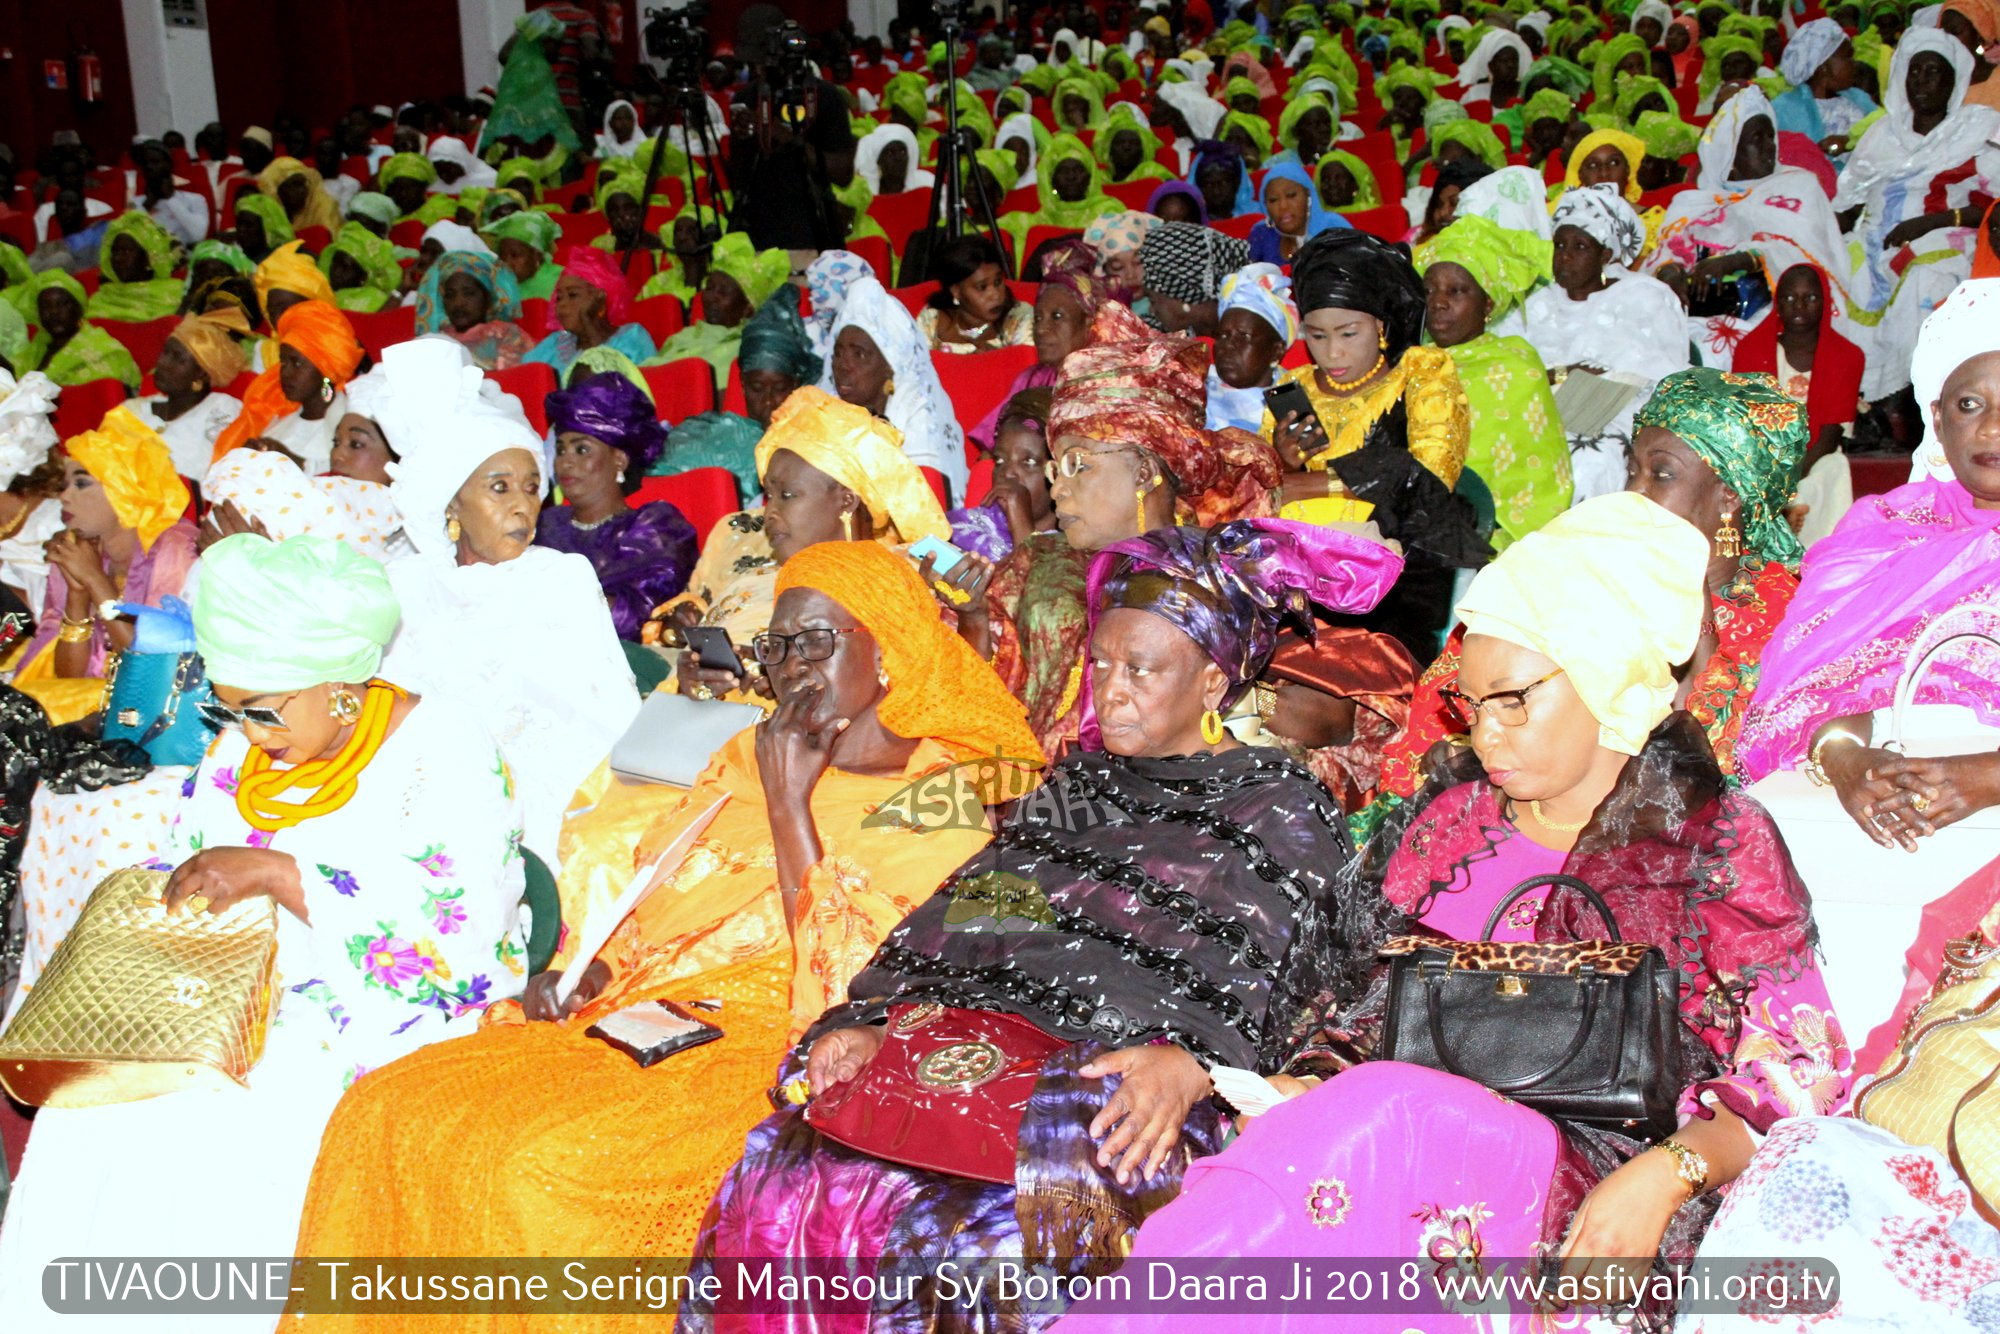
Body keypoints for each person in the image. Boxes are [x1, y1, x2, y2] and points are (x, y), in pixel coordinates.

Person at [1070, 497, 1844, 1334]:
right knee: (1304, 1141)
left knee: (1383, 1114)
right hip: (1391, 1152)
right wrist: (1306, 1083)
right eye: (1472, 707)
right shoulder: (1452, 827)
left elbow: (1800, 1063)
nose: (1487, 736)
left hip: (1591, 1186)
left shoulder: (1711, 840)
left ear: (1604, 671)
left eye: (1513, 701)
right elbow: (1354, 1012)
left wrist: (1669, 1175)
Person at [679, 520, 1400, 1328]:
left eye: (1141, 669)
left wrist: (1199, 1065)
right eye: (1101, 665)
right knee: (781, 1185)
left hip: (1115, 1092)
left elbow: (1322, 996)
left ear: (1212, 682)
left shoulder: (1278, 807)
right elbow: (963, 919)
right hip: (974, 1060)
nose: (1110, 690)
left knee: (976, 1252)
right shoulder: (1078, 787)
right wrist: (872, 1019)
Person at [291, 539, 1037, 1277]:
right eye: (777, 646)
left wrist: (790, 801)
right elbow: (662, 892)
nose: (792, 667)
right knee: (386, 1108)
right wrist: (591, 970)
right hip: (649, 1008)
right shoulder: (745, 757)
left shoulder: (940, 794)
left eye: (816, 640)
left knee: (538, 1174)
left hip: (776, 1043)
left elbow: (858, 989)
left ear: (887, 643)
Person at [0, 534, 529, 1330]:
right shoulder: (240, 745)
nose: (246, 731)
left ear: (339, 685)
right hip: (231, 993)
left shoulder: (443, 748)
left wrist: (282, 875)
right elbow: (189, 860)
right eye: (228, 706)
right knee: (88, 1108)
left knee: (213, 1131)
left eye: (262, 709)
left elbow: (463, 937)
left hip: (386, 1010)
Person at [966, 302, 1283, 759]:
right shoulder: (1037, 562)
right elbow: (979, 689)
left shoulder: (1217, 574)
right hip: (1028, 777)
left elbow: (1279, 695)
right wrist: (974, 618)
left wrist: (1250, 701)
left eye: (1078, 465)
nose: (1059, 489)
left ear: (1143, 473)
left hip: (1160, 781)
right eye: (1055, 470)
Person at [374, 339, 635, 867]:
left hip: (557, 800)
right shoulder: (405, 585)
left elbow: (607, 718)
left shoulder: (560, 576)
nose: (522, 506)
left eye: (532, 487)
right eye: (500, 488)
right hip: (425, 798)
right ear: (452, 502)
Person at [1264, 229, 1483, 656]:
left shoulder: (1421, 374)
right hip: (1304, 569)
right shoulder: (1295, 386)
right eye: (1317, 336)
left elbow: (1429, 476)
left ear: (1381, 326)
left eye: (1348, 334)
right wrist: (1282, 463)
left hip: (1401, 571)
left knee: (1340, 654)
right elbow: (1264, 493)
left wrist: (1309, 484)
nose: (1332, 353)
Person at [1833, 28, 2000, 402]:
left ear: (1952, 81)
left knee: (1924, 276)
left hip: (1947, 233)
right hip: (1875, 237)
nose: (1922, 81)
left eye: (1933, 71)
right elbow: (1848, 200)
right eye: (1915, 71)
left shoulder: (1975, 130)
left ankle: (1910, 395)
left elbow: (1994, 209)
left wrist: (1931, 221)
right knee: (1836, 273)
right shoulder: (1882, 134)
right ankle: (1857, 398)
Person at [1648, 88, 1860, 370]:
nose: (1769, 146)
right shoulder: (1694, 201)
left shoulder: (1798, 186)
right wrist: (1670, 273)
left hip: (1779, 307)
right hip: (1698, 307)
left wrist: (1738, 260)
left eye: (1770, 136)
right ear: (1730, 151)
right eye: (1756, 139)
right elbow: (1666, 250)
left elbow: (1807, 256)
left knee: (1717, 348)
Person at [1522, 184, 1691, 506]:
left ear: (1605, 255)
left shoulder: (1647, 296)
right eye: (1560, 245)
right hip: (1538, 410)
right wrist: (1564, 374)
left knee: (1589, 462)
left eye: (1580, 247)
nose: (1565, 256)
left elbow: (1670, 377)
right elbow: (1511, 369)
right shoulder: (1536, 303)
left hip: (1621, 416)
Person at [1415, 214, 1575, 549]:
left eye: (1456, 291)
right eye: (1428, 290)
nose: (1438, 302)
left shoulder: (1515, 363)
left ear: (1487, 303)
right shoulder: (1412, 363)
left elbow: (1537, 472)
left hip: (1499, 533)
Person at [535, 373, 697, 640]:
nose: (565, 462)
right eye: (561, 450)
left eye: (581, 450)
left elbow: (636, 619)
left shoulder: (653, 527)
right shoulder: (545, 524)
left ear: (619, 460)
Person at [1732, 264, 1864, 545]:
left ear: (1825, 301)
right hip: (1764, 454)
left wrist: (1792, 474)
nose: (1799, 306)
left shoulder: (1847, 356)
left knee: (1834, 467)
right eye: (1790, 298)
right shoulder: (1750, 350)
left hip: (1815, 456)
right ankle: (1782, 523)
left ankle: (1810, 541)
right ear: (1778, 303)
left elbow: (1831, 434)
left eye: (1810, 298)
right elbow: (1745, 422)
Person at [658, 286, 820, 504]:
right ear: (742, 385)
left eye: (779, 388)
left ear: (796, 385)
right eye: (756, 388)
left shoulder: (812, 446)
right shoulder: (711, 434)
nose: (768, 401)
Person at [821, 275, 969, 500]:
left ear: (890, 365)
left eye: (859, 354)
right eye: (838, 353)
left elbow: (924, 504)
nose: (842, 365)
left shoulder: (920, 415)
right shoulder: (824, 406)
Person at [209, 299, 364, 476]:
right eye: (283, 362)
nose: (285, 372)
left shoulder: (352, 423)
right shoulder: (278, 419)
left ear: (326, 370)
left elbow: (350, 478)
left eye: (297, 363)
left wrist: (297, 463)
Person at [118, 308, 249, 482]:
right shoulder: (134, 409)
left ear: (202, 373)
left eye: (178, 358)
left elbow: (203, 471)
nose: (163, 363)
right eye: (165, 352)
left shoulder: (222, 409)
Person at [647, 234, 791, 386]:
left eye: (724, 292)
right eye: (709, 288)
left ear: (748, 308)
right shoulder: (682, 336)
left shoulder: (748, 350)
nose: (712, 297)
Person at [947, 386, 1055, 564]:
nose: (1008, 473)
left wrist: (1021, 526)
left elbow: (1039, 580)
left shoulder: (1081, 544)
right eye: (999, 460)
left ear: (1059, 471)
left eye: (1028, 462)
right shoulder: (961, 534)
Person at [521, 247, 657, 378]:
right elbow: (525, 379)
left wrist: (590, 326)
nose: (562, 304)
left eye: (573, 295)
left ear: (600, 297)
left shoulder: (632, 337)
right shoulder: (555, 343)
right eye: (559, 298)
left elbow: (620, 385)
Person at [1206, 262, 1297, 434]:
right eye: (1222, 335)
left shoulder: (1291, 404)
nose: (1228, 345)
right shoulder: (1191, 386)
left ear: (1276, 350)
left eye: (1243, 336)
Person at [999, 131, 1122, 258]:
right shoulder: (1039, 220)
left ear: (1090, 177)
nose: (1071, 176)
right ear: (1052, 181)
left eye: (1078, 170)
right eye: (1064, 171)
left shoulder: (1109, 211)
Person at [20, 270, 141, 392]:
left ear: (79, 309)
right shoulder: (36, 349)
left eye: (62, 304)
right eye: (46, 306)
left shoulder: (104, 351)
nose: (54, 312)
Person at [914, 234, 1032, 354]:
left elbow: (1030, 364)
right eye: (982, 287)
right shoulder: (932, 321)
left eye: (998, 282)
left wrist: (998, 359)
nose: (995, 295)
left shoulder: (1021, 319)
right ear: (956, 291)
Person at [1773, 18, 1878, 150]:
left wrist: (1849, 142)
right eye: (1847, 57)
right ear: (1823, 66)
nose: (1853, 63)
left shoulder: (1858, 99)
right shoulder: (1785, 110)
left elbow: (1884, 130)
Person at [1139, 221, 1251, 337]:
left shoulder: (1247, 336)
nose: (1151, 310)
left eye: (1153, 301)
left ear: (1184, 296)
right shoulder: (1159, 331)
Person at [86, 211, 186, 324]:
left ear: (148, 258)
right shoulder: (101, 298)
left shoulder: (177, 295)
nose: (117, 258)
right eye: (115, 251)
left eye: (126, 251)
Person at [1247, 159, 1347, 265]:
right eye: (1273, 200)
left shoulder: (1333, 228)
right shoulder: (1262, 235)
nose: (1283, 206)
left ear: (1308, 196)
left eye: (1291, 195)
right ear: (1265, 205)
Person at [317, 221, 404, 314]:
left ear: (363, 277)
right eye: (336, 261)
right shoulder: (317, 286)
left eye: (346, 267)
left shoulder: (375, 301)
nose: (337, 271)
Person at [1082, 210, 1159, 308]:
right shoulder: (1100, 311)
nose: (1130, 275)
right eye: (1118, 267)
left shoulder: (1166, 306)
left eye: (1138, 262)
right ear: (1104, 273)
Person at [482, 209, 562, 301]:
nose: (506, 263)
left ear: (537, 255)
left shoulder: (562, 282)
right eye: (502, 256)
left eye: (515, 255)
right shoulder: (494, 281)